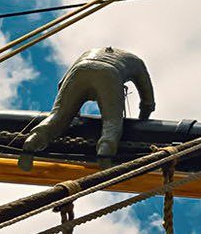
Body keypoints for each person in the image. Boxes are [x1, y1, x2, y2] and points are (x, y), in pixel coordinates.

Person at [19, 47, 155, 166]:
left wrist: (72, 114)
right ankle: (105, 153)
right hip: (110, 73)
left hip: (81, 68)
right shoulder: (136, 62)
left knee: (57, 116)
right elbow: (147, 100)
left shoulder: (89, 52)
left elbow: (61, 83)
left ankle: (33, 141)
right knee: (111, 123)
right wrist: (141, 124)